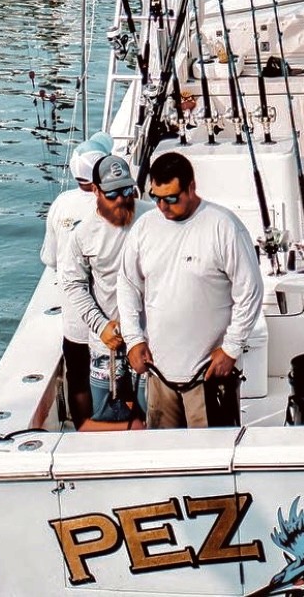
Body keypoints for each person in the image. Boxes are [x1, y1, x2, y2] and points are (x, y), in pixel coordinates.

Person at [118, 150, 264, 429]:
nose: (163, 206)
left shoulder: (224, 227)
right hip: (159, 374)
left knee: (214, 458)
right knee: (163, 457)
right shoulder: (144, 228)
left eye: (172, 198)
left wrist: (231, 348)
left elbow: (250, 291)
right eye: (156, 197)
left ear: (191, 188)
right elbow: (127, 284)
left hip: (207, 376)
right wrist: (134, 339)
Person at [59, 153, 150, 426]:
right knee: (108, 421)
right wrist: (100, 326)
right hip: (107, 345)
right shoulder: (83, 234)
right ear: (95, 190)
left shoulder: (153, 217)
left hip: (149, 339)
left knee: (150, 417)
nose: (122, 199)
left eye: (127, 190)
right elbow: (72, 283)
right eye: (112, 194)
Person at [41, 131, 113, 428]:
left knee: (79, 378)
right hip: (111, 317)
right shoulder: (116, 203)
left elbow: (50, 258)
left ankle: (86, 429)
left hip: (75, 319)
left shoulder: (61, 203)